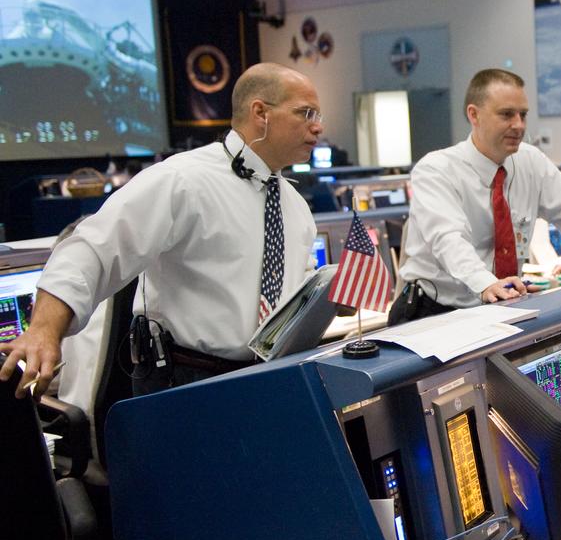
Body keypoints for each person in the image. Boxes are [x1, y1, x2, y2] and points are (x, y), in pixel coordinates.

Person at [2, 63, 322, 398]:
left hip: (268, 378)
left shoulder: (294, 204)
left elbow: (297, 292)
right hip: (187, 384)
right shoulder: (183, 180)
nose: (317, 128)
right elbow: (91, 250)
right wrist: (43, 331)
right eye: (306, 113)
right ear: (261, 113)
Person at [392, 69, 561, 319]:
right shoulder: (436, 170)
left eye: (523, 115)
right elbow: (449, 240)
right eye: (506, 115)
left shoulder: (530, 162)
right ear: (474, 115)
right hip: (435, 312)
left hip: (497, 304)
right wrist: (487, 284)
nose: (519, 125)